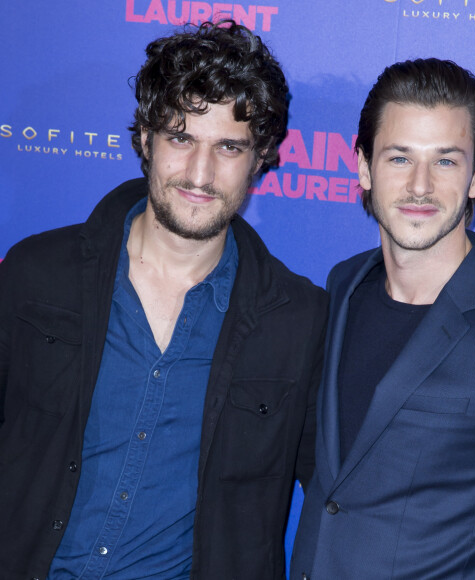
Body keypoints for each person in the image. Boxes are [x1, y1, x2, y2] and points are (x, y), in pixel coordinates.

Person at [0, 21, 327, 580]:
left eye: (229, 146)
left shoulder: (299, 321)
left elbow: (340, 495)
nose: (200, 174)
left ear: (261, 157)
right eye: (181, 137)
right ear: (146, 138)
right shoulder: (35, 274)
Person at [291, 58, 475, 579]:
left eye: (445, 161)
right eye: (399, 158)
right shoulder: (342, 285)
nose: (420, 186)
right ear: (363, 166)